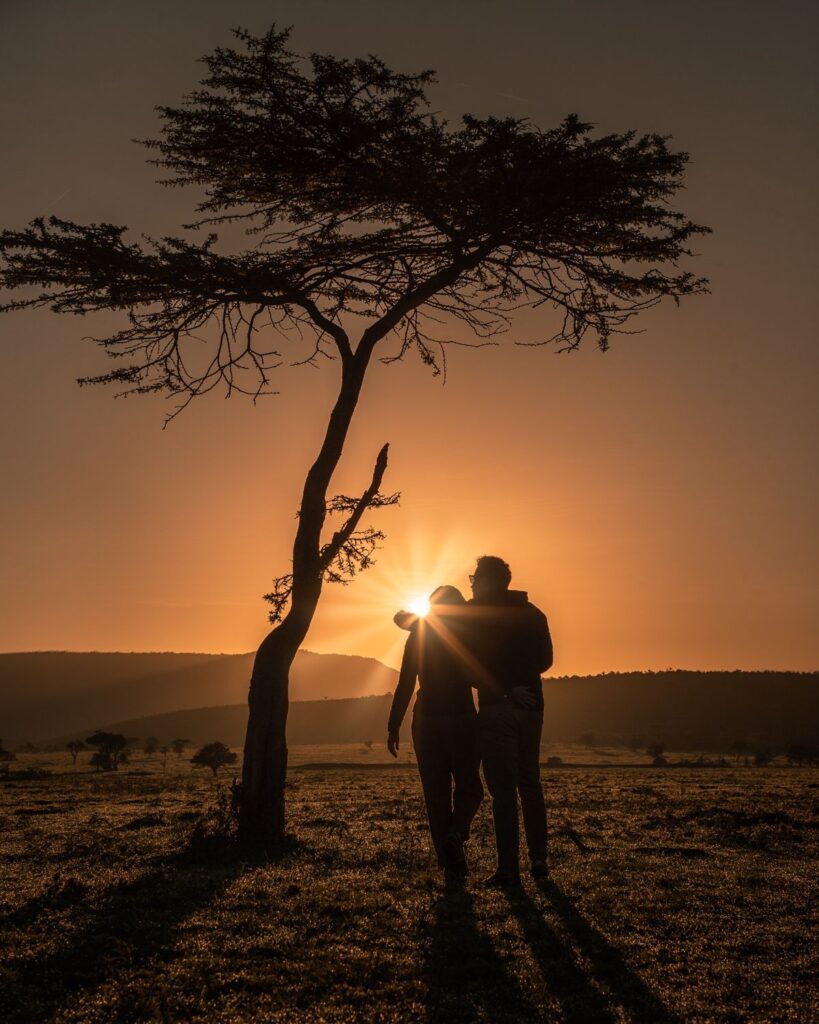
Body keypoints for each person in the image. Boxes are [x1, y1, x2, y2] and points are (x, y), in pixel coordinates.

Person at [387, 586, 484, 891]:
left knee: (436, 795)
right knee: (470, 787)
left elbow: (404, 683)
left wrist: (393, 726)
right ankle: (457, 835)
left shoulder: (418, 634)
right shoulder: (466, 634)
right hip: (460, 717)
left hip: (425, 719)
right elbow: (478, 676)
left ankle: (450, 865)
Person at [467, 555, 553, 890]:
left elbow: (469, 665)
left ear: (488, 580)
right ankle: (539, 861)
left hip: (497, 707)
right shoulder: (534, 614)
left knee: (503, 792)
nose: (471, 582)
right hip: (532, 706)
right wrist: (520, 682)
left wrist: (504, 691)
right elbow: (545, 661)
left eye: (475, 577)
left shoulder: (476, 616)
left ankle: (508, 870)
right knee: (530, 783)